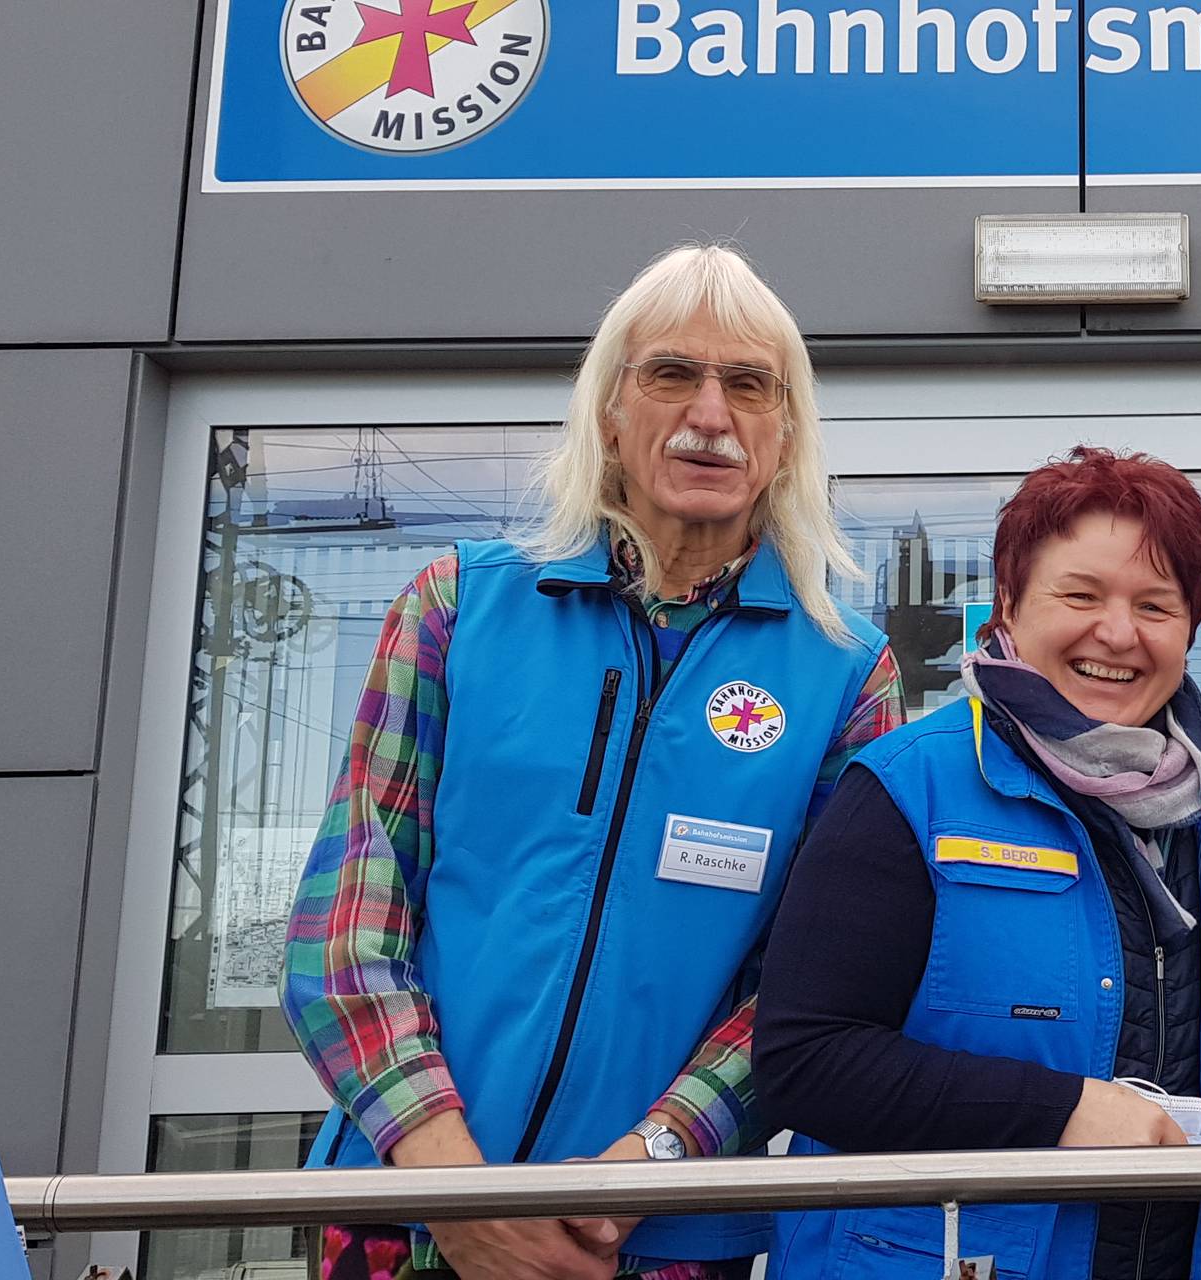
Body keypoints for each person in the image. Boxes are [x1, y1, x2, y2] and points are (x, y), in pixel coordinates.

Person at [281, 244, 902, 1280]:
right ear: (609, 411)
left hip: (659, 1236)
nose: (710, 414)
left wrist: (643, 1165)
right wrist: (452, 1185)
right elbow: (344, 933)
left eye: (750, 385)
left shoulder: (846, 674)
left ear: (786, 433)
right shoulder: (456, 608)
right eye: (672, 374)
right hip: (403, 1206)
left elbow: (806, 987)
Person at [751, 447, 1201, 1280]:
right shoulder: (910, 788)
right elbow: (805, 1062)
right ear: (1011, 607)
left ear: (1190, 629)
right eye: (1080, 595)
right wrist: (1062, 1111)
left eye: (1155, 605)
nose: (1118, 633)